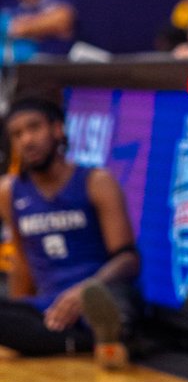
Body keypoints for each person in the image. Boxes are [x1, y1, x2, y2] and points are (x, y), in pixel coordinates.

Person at [0, 95, 141, 367]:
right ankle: (96, 342)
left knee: (118, 302)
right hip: (49, 305)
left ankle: (107, 332)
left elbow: (128, 259)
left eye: (34, 128)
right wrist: (17, 315)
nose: (27, 140)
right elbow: (22, 262)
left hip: (99, 293)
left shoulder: (96, 182)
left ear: (57, 129)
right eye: (17, 135)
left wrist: (85, 290)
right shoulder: (9, 191)